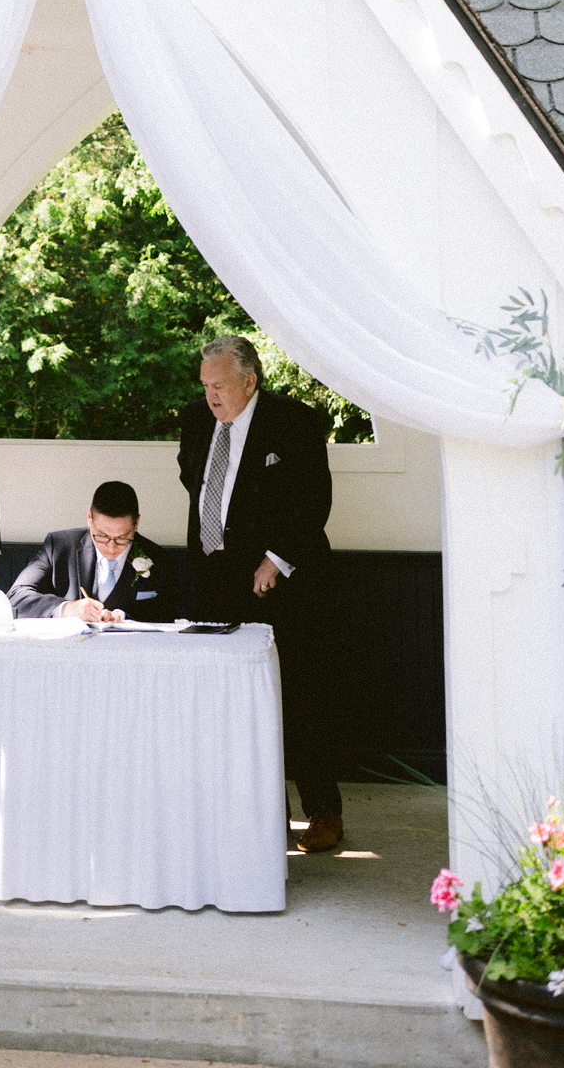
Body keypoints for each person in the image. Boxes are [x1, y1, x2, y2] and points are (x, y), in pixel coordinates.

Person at [177, 334, 343, 853]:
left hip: (280, 579)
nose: (210, 396)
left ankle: (323, 810)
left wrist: (276, 557)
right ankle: (252, 813)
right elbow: (197, 478)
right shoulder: (196, 419)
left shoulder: (294, 422)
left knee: (297, 697)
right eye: (205, 385)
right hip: (215, 576)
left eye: (219, 385)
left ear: (249, 381)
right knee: (228, 700)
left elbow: (314, 499)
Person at [7, 479, 179, 624]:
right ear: (89, 518)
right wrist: (67, 609)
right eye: (102, 536)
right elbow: (16, 597)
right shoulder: (59, 546)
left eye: (122, 538)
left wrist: (123, 617)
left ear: (136, 524)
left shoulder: (161, 561)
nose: (111, 548)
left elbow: (172, 617)